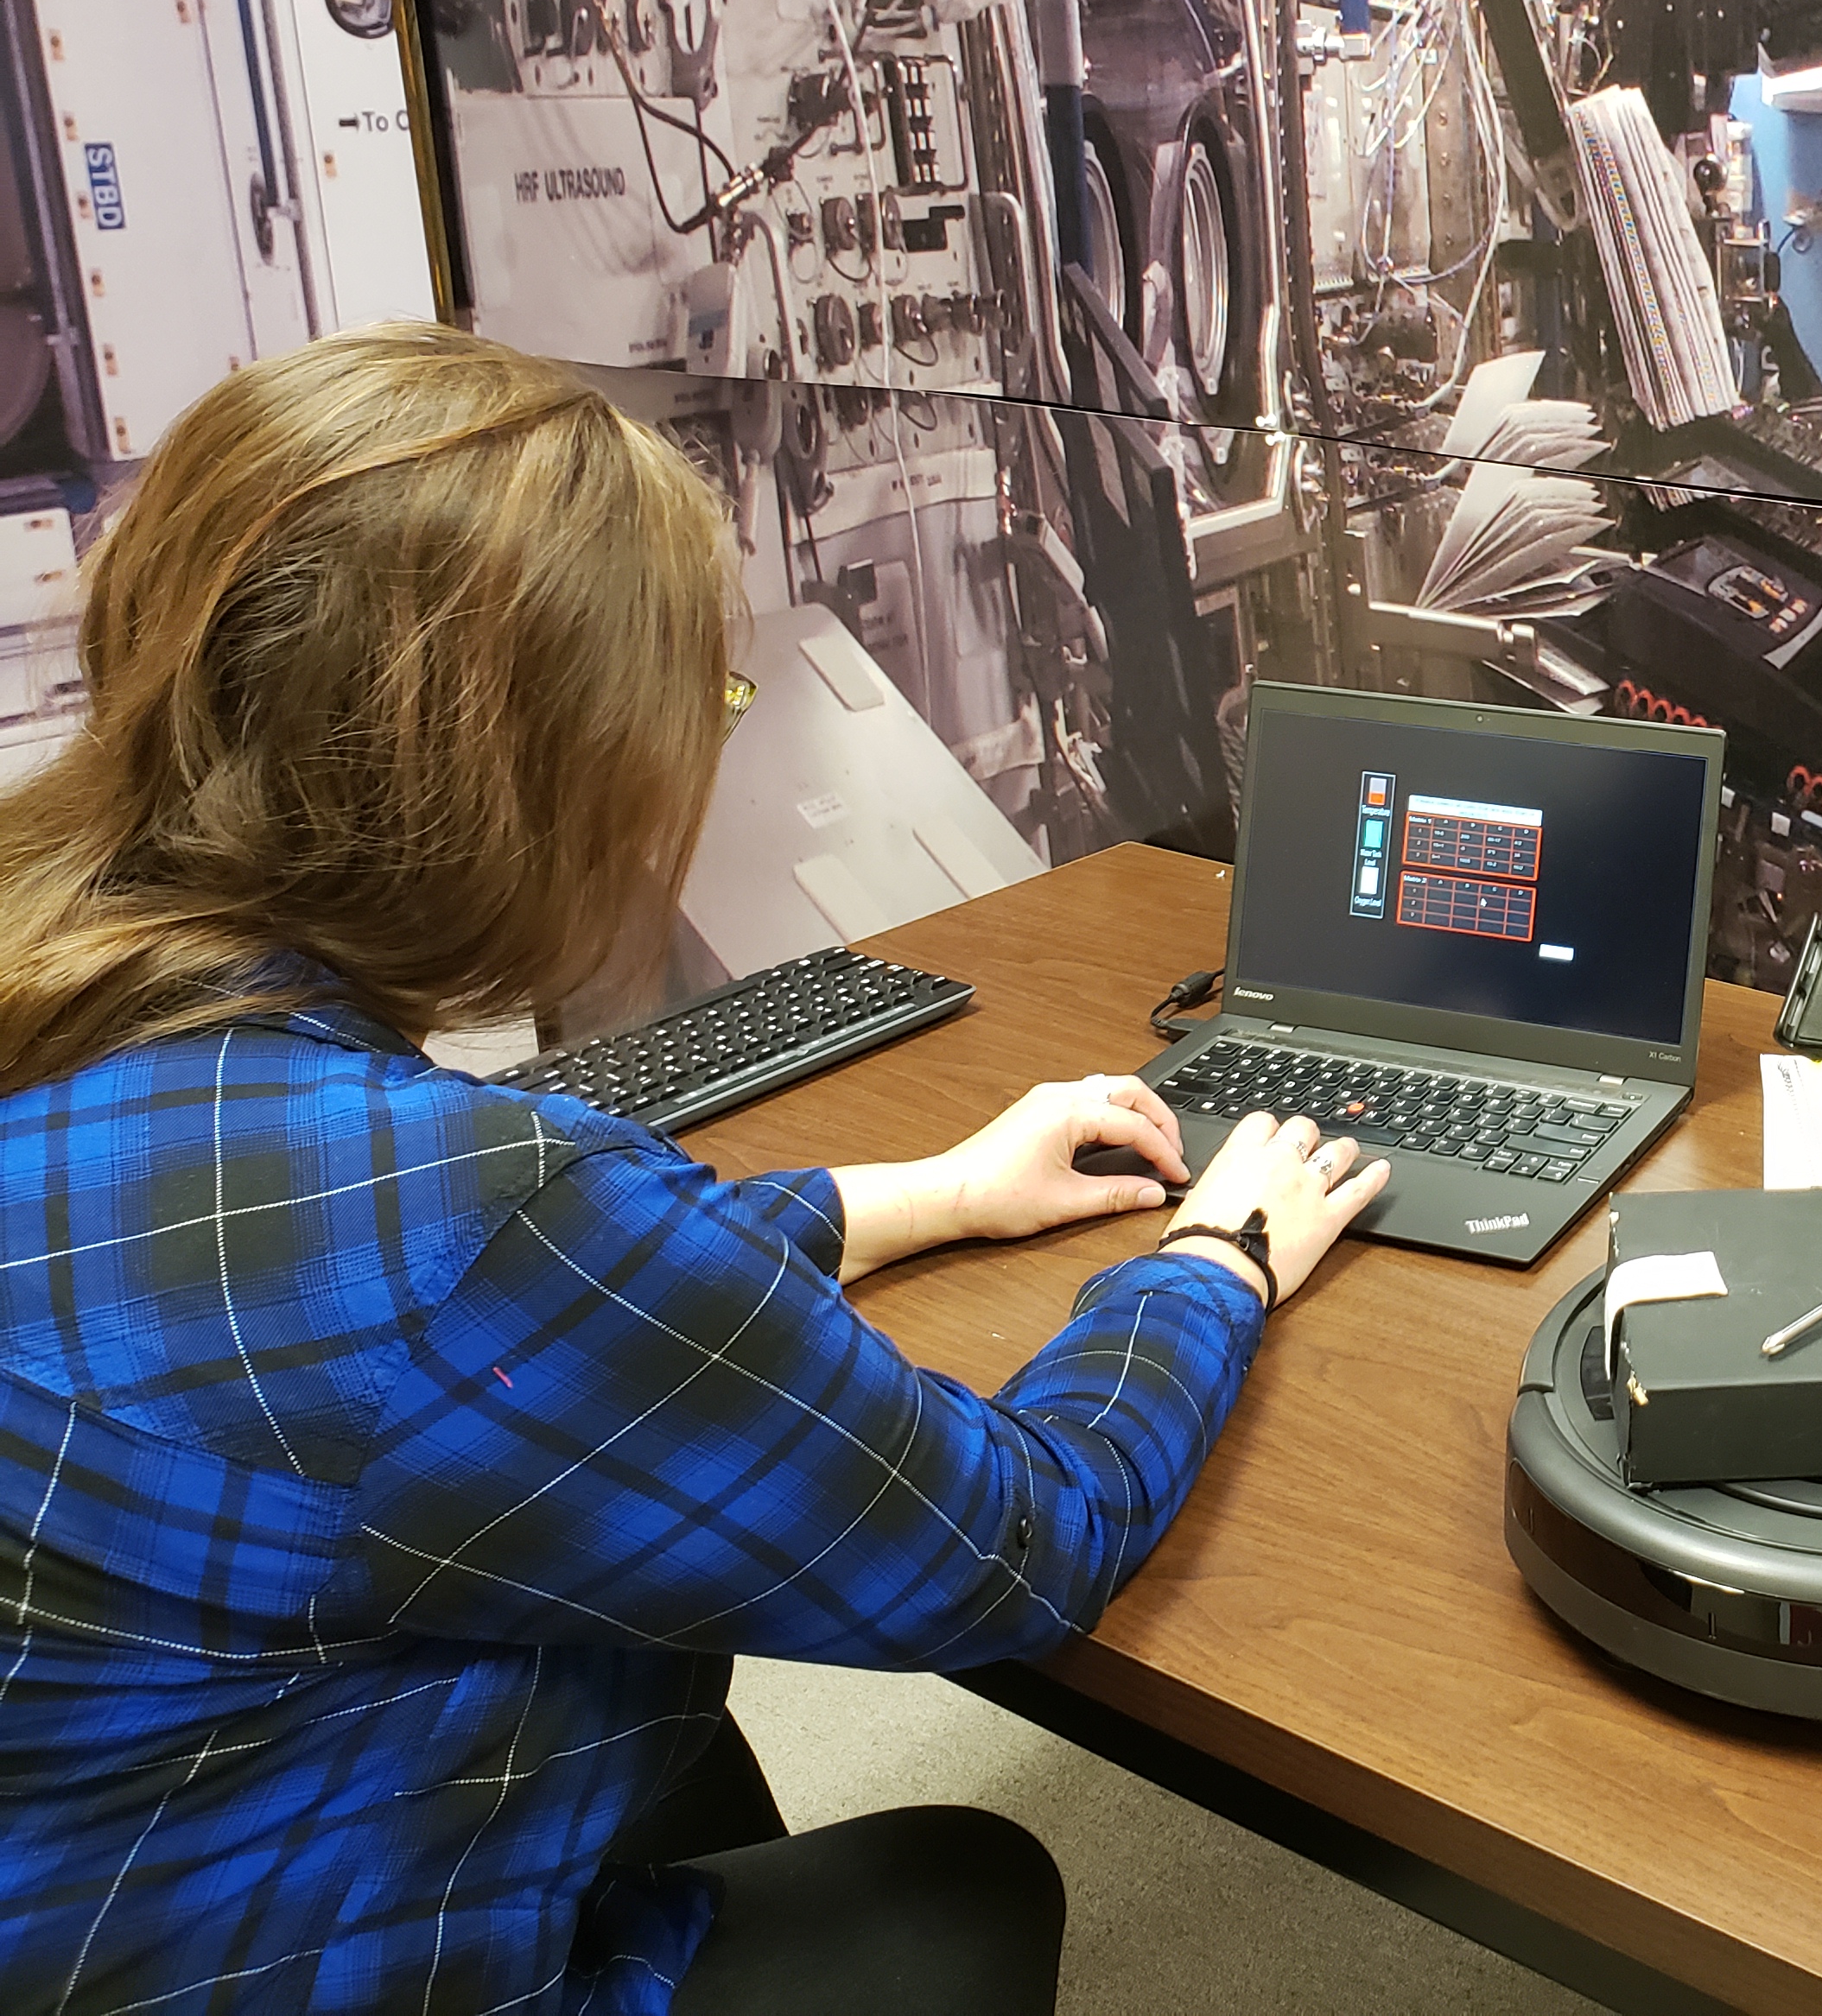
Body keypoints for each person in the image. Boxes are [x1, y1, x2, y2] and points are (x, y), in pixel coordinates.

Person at [0, 324, 1389, 2014]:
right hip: (267, 1952)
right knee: (957, 1889)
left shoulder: (92, 1029)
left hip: (81, 1898)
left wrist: (926, 1193)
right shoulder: (472, 1220)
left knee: (687, 1744)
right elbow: (1020, 1540)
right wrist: (1214, 1262)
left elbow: (422, 1326)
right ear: (554, 782)